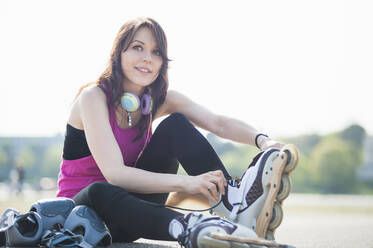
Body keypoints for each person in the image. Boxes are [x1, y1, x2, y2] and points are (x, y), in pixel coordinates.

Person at [56, 17, 284, 244]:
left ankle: (231, 205)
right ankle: (195, 228)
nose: (147, 58)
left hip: (132, 214)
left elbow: (217, 123)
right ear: (118, 54)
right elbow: (115, 174)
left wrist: (263, 142)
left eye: (156, 52)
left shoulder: (157, 100)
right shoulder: (92, 98)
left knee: (175, 125)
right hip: (80, 218)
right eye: (137, 47)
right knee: (99, 190)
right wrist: (187, 183)